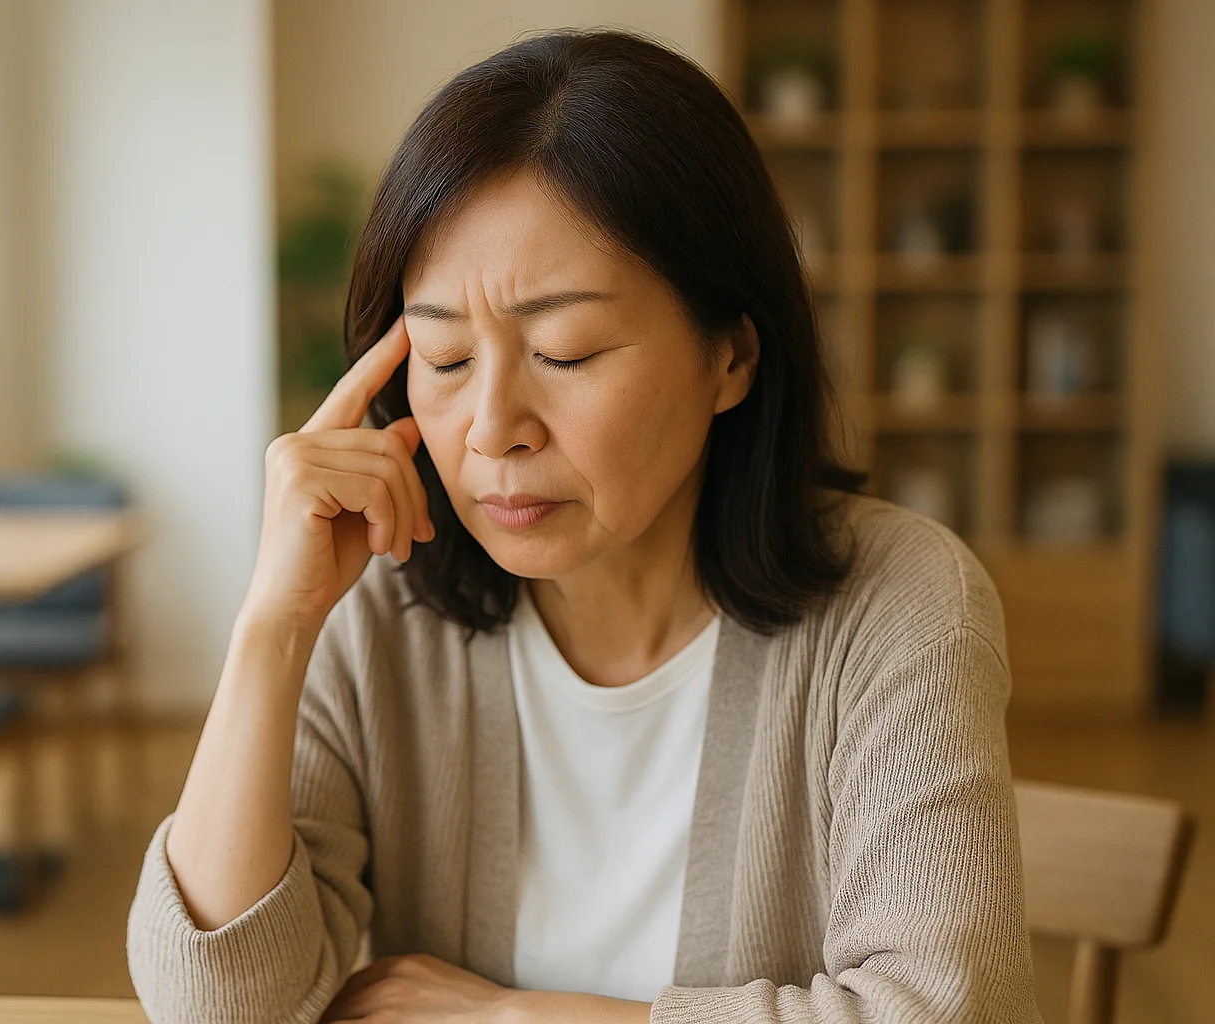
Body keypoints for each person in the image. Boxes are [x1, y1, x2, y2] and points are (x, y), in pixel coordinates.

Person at [127, 29, 1041, 1024]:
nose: (491, 431)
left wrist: (519, 1017)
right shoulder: (377, 605)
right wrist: (274, 625)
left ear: (730, 356)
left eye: (564, 352)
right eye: (442, 358)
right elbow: (208, 1006)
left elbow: (955, 1010)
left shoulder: (897, 603)